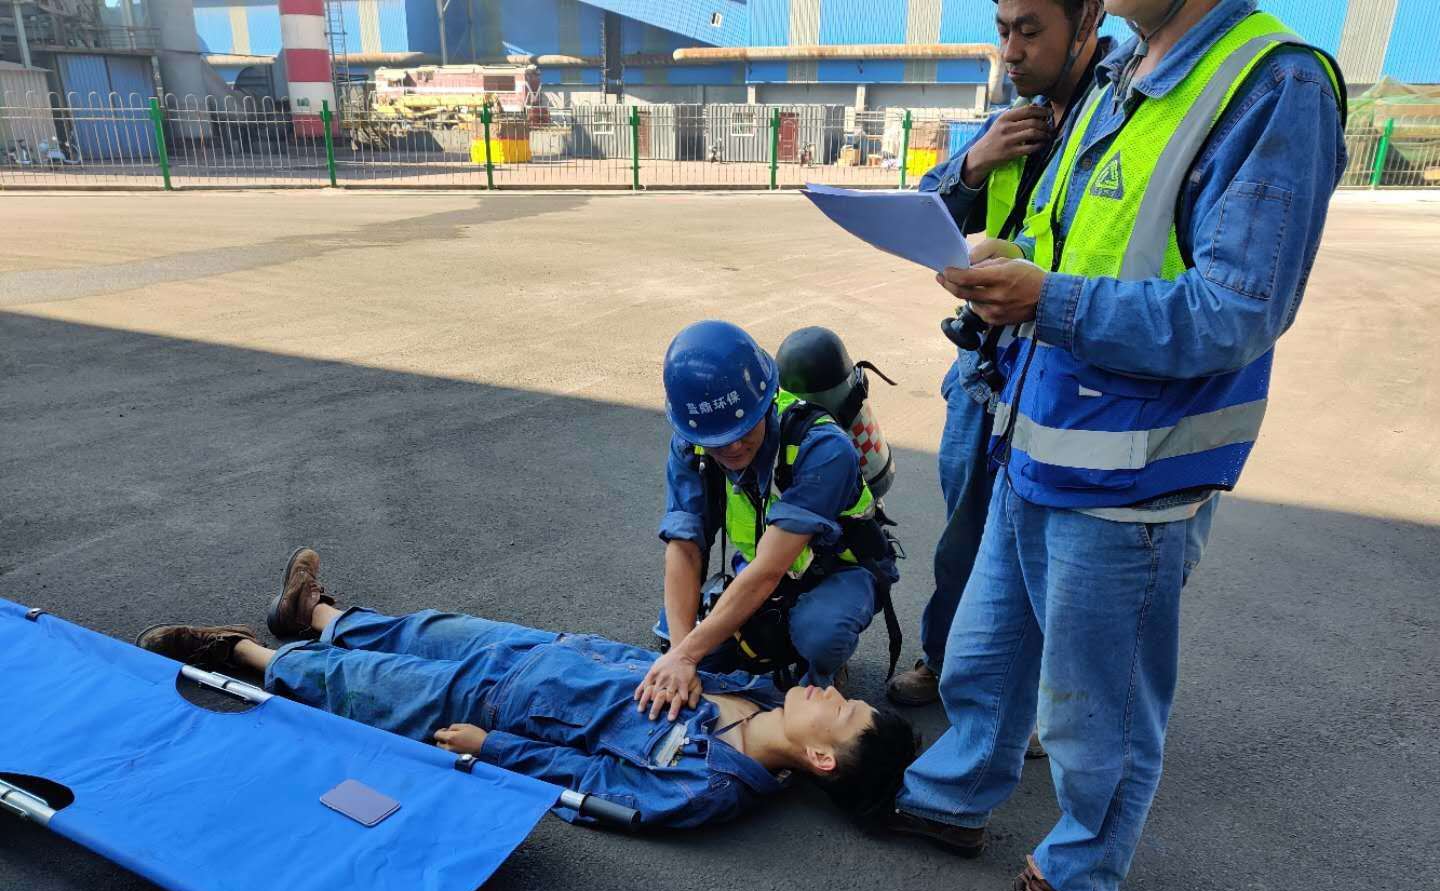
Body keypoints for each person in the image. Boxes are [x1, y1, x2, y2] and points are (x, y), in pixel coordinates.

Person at [895, 0, 1347, 891]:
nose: (1012, 45)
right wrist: (1010, 263)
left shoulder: (1275, 83)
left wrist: (1046, 298)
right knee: (982, 654)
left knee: (1096, 707)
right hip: (1036, 432)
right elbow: (1071, 241)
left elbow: (1235, 312)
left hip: (1133, 471)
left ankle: (1076, 880)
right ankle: (951, 797)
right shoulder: (1123, 73)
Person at [135, 548, 918, 830]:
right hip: (540, 653)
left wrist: (494, 749)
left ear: (822, 757)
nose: (831, 692)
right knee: (422, 630)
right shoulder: (758, 695)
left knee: (362, 684)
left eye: (843, 710)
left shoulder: (707, 787)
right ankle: (313, 613)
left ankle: (239, 652)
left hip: (495, 709)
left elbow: (592, 783)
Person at [888, 0, 1113, 711]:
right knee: (964, 534)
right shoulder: (1014, 119)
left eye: (1030, 30)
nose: (1010, 51)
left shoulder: (1120, 114)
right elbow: (926, 210)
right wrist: (975, 163)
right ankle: (945, 658)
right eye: (1002, 30)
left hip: (1069, 377)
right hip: (984, 373)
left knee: (1053, 550)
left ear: (1088, 19)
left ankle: (1045, 699)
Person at [641, 320, 898, 721]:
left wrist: (688, 655)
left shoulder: (823, 447)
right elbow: (684, 546)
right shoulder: (694, 439)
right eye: (718, 440)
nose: (734, 446)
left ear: (767, 400)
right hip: (762, 568)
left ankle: (822, 677)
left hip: (839, 570)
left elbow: (769, 570)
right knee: (677, 636)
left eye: (744, 430)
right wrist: (681, 653)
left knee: (820, 632)